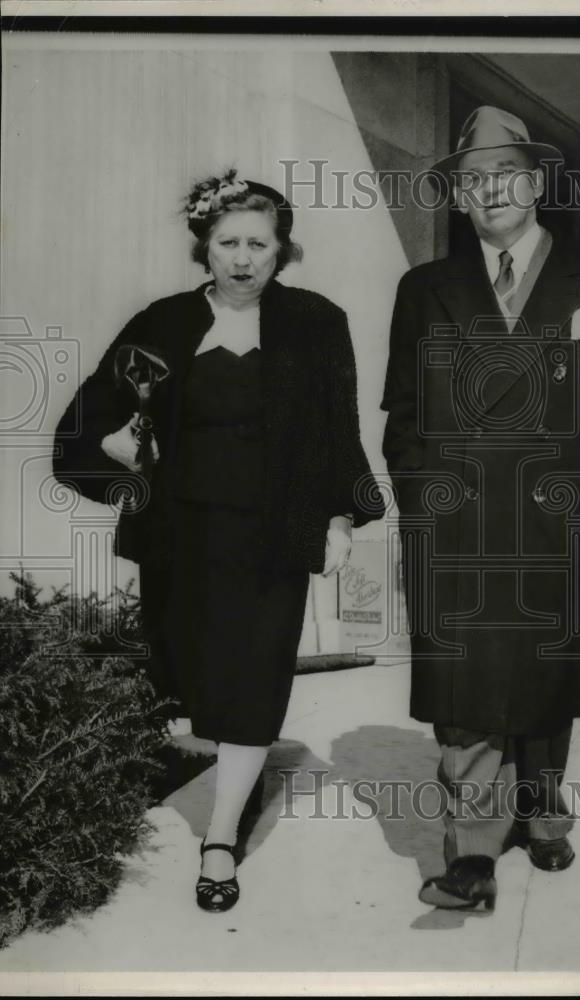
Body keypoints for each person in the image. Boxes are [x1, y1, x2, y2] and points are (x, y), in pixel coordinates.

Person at [53, 169, 383, 913]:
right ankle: (232, 773)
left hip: (272, 540)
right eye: (228, 242)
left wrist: (339, 518)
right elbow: (83, 425)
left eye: (258, 244)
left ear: (281, 250)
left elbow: (339, 432)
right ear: (204, 247)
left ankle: (221, 838)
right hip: (182, 539)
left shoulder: (315, 321)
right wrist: (124, 461)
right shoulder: (161, 325)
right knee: (186, 675)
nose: (243, 258)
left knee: (253, 686)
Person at [381, 106, 580, 909]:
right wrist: (421, 500)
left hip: (563, 512)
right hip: (460, 521)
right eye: (472, 180)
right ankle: (470, 851)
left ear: (536, 184)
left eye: (505, 175)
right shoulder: (424, 288)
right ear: (459, 198)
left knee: (549, 673)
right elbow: (404, 412)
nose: (489, 191)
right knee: (466, 685)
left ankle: (540, 808)